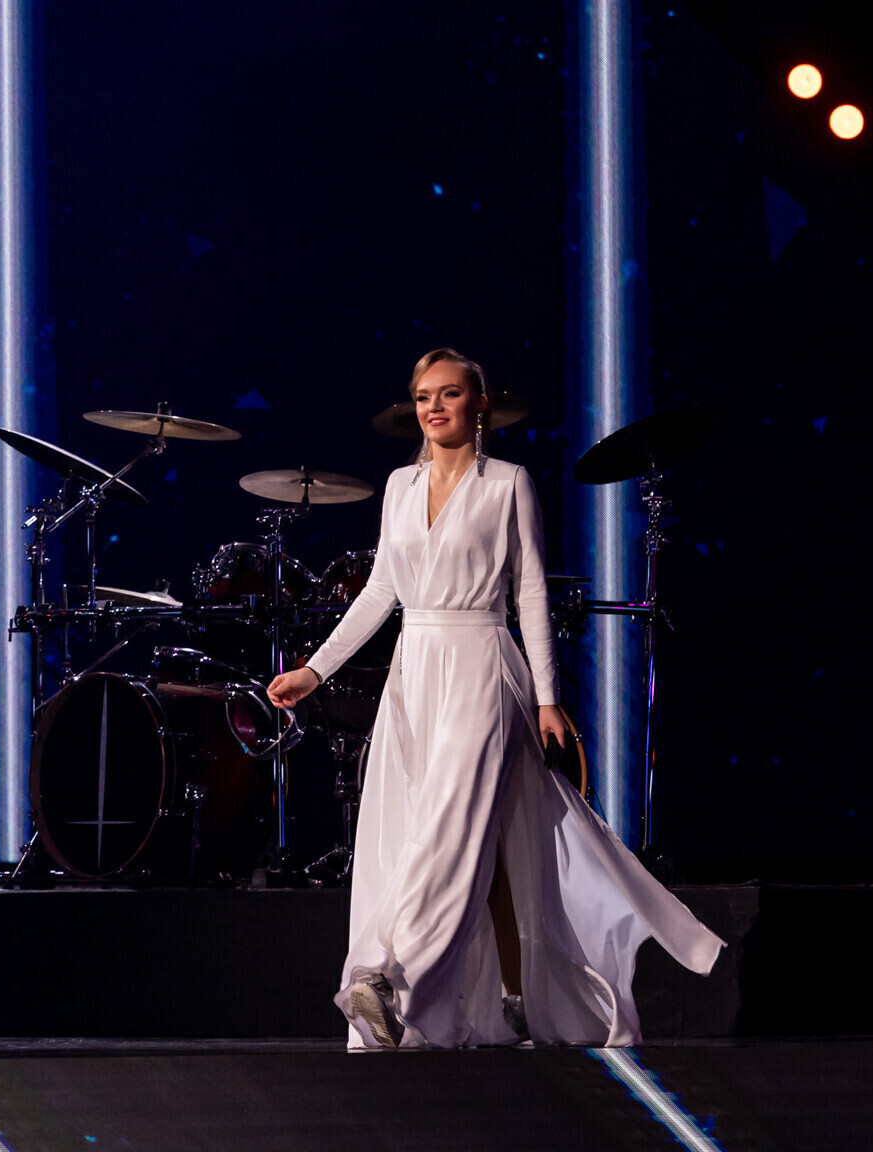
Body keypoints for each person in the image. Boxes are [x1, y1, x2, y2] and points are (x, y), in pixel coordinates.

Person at [267, 348, 721, 1048]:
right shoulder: (399, 485)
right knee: (411, 830)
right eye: (424, 396)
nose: (434, 407)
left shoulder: (508, 482)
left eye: (449, 393)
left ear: (480, 404)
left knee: (450, 831)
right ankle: (422, 994)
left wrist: (547, 697)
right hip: (414, 672)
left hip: (483, 665)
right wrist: (316, 670)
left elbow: (530, 591)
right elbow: (381, 590)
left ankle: (385, 978)